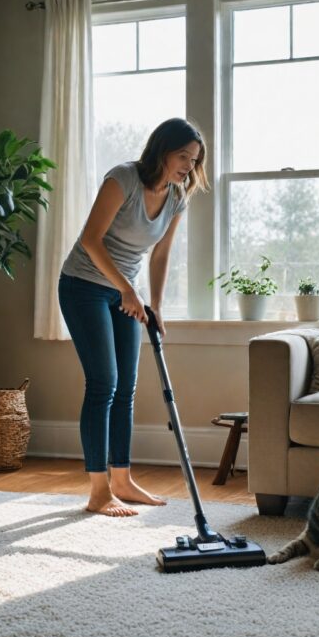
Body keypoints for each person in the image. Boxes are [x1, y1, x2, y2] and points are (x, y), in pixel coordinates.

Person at [58, 117, 208, 517]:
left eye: (194, 160)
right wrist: (127, 289)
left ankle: (122, 480)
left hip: (125, 292)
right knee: (103, 383)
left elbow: (160, 254)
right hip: (83, 285)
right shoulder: (123, 179)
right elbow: (90, 240)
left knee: (126, 387)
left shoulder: (177, 197)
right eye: (183, 156)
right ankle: (98, 491)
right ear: (162, 150)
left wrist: (155, 304)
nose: (189, 166)